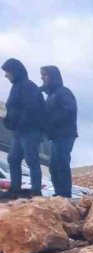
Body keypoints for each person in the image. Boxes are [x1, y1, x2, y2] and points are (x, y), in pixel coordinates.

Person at [1, 58, 45, 198]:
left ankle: (36, 190)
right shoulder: (16, 87)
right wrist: (8, 120)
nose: (6, 75)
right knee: (13, 159)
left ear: (15, 71)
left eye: (7, 72)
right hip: (19, 131)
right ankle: (15, 189)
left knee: (31, 158)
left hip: (30, 131)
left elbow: (32, 109)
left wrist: (19, 121)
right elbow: (11, 108)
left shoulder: (28, 86)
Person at [39, 66, 77, 199]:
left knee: (61, 162)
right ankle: (59, 193)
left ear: (53, 76)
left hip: (65, 134)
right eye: (41, 75)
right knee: (54, 166)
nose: (42, 77)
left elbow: (69, 111)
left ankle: (65, 194)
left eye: (45, 74)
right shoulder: (50, 95)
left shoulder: (63, 92)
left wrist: (52, 121)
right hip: (55, 135)